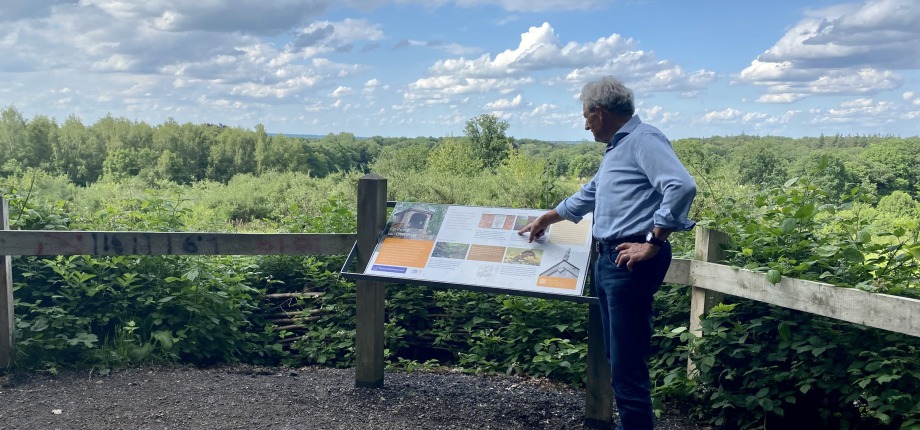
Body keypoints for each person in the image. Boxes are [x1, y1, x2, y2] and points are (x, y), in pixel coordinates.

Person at [518, 76, 696, 430]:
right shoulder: (620, 147)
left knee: (627, 362)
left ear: (599, 112)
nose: (585, 125)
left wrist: (654, 241)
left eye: (586, 116)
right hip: (609, 259)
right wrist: (547, 218)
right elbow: (591, 194)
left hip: (628, 261)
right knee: (618, 356)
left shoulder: (644, 139)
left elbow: (682, 186)